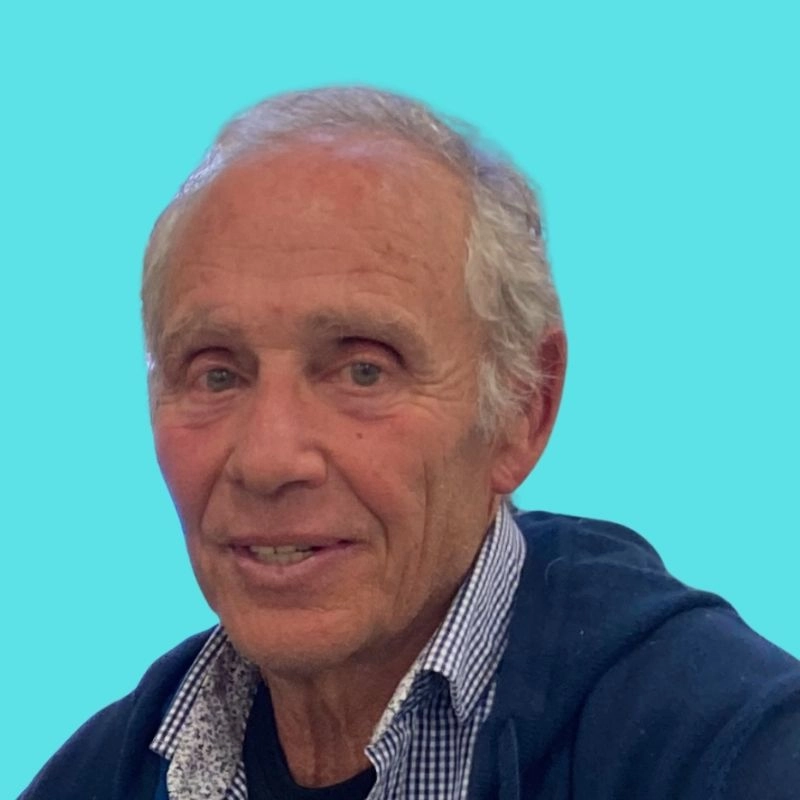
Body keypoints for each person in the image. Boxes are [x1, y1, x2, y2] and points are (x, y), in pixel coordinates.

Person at [21, 86, 799, 800]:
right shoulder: (104, 773)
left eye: (363, 370)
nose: (268, 459)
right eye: (216, 375)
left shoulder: (730, 751)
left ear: (523, 408)